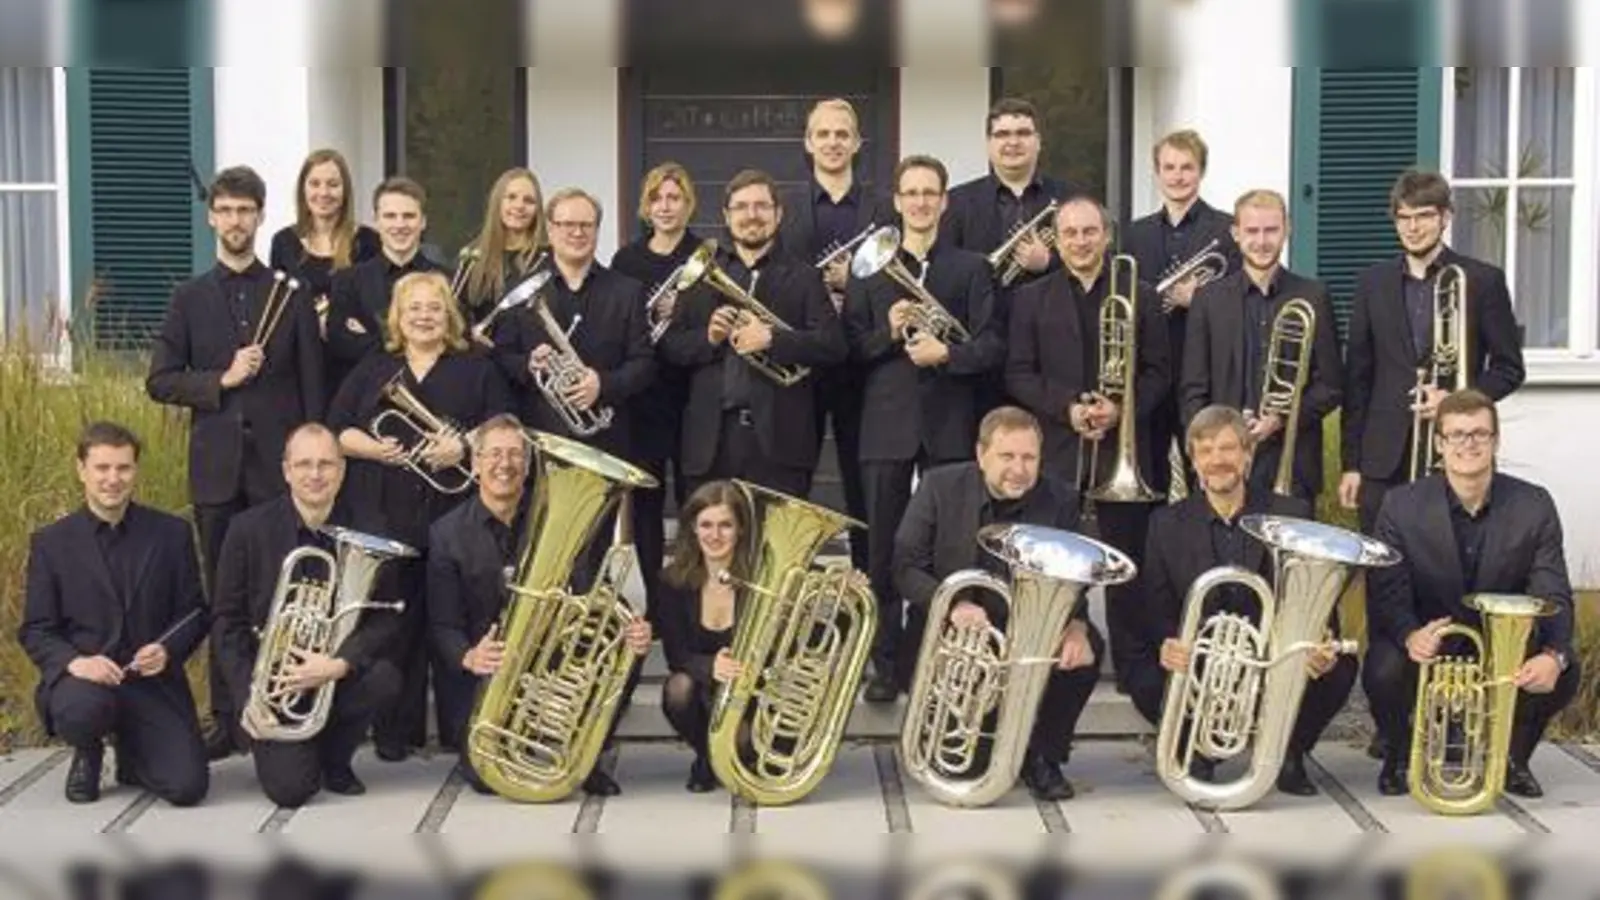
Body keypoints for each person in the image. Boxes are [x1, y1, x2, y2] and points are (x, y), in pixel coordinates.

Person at [147, 164, 325, 759]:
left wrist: (312, 462)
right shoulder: (189, 297)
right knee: (226, 599)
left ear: (260, 216)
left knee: (285, 592)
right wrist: (221, 379)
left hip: (279, 474)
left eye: (245, 210)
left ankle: (282, 704)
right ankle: (227, 717)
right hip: (218, 475)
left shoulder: (288, 295)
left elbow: (312, 390)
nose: (235, 220)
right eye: (225, 210)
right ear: (211, 218)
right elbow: (161, 380)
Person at [329, 270, 513, 760]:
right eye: (414, 308)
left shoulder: (475, 367)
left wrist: (464, 446)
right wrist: (373, 447)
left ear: (448, 314)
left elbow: (503, 426)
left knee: (455, 619)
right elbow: (338, 429)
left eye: (434, 307)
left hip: (454, 517)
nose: (425, 316)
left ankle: (460, 730)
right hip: (388, 514)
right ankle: (396, 733)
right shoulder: (374, 366)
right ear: (399, 317)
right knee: (398, 625)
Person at [843, 153, 1005, 701]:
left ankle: (938, 653)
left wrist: (947, 354)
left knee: (952, 546)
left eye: (929, 193)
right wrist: (887, 334)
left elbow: (992, 346)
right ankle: (886, 662)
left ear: (944, 201)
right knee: (883, 548)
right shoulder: (869, 274)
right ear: (896, 201)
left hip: (950, 425)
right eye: (910, 193)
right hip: (886, 426)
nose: (919, 202)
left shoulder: (970, 268)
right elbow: (847, 350)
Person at [1364, 389, 1577, 799]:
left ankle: (1512, 758)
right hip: (1429, 640)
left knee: (1566, 669)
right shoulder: (1401, 505)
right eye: (1457, 435)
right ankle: (1402, 756)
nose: (1469, 444)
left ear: (1496, 441)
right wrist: (1410, 635)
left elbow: (1554, 590)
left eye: (1480, 434)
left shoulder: (1534, 505)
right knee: (1383, 666)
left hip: (1500, 648)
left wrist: (1554, 655)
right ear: (1439, 443)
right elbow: (1387, 590)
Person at [1132, 405, 1354, 795]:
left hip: (1271, 657)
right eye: (1206, 451)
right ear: (1194, 462)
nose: (1218, 461)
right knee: (1145, 678)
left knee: (1339, 669)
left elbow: (1314, 597)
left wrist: (1321, 641)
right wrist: (1169, 642)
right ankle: (1198, 748)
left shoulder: (1290, 513)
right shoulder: (1166, 524)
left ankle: (1288, 753)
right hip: (1204, 662)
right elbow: (1157, 605)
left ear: (1248, 455)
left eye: (1228, 449)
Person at [427, 415, 652, 796]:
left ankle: (585, 754)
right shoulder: (447, 533)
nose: (505, 464)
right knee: (485, 778)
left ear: (529, 466)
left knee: (626, 650)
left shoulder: (557, 518)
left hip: (546, 665)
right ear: (475, 463)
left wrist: (631, 626)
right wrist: (469, 656)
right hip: (485, 676)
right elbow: (442, 624)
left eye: (515, 455)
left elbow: (596, 590)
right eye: (494, 454)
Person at [892, 406, 1103, 800]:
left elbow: (1076, 579)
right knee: (966, 765)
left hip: (1024, 634)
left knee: (1085, 651)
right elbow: (905, 567)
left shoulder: (1060, 499)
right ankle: (988, 740)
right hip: (951, 634)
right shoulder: (939, 487)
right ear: (981, 454)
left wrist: (1076, 627)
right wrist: (951, 605)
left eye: (1029, 458)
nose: (1019, 469)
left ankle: (1043, 755)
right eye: (1007, 456)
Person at [1005, 195, 1170, 689]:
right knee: (1055, 561)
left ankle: (1130, 665)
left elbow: (1160, 373)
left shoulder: (1137, 294)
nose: (1080, 241)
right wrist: (1067, 409)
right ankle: (1049, 655)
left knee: (1123, 562)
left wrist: (1120, 410)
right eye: (1071, 233)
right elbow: (1018, 373)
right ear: (1057, 239)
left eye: (1089, 232)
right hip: (1058, 447)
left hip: (1124, 449)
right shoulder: (1031, 298)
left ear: (1106, 236)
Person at [211, 423, 404, 807]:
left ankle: (335, 761)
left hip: (334, 670)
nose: (315, 475)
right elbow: (226, 621)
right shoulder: (247, 530)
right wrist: (249, 694)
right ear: (286, 470)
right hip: (275, 683)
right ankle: (302, 752)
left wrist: (340, 663)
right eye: (304, 464)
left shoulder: (370, 528)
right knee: (291, 792)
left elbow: (387, 617)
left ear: (342, 470)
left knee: (383, 678)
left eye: (326, 464)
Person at [18, 422, 209, 806]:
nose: (112, 479)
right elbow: (37, 629)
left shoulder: (171, 533)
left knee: (188, 787)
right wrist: (76, 663)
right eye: (102, 468)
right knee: (83, 710)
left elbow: (195, 612)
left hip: (150, 681)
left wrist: (167, 650)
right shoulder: (51, 543)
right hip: (87, 684)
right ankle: (89, 751)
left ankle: (133, 758)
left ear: (135, 470)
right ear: (81, 470)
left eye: (123, 468)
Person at [1340, 169, 1526, 535]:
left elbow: (1509, 368)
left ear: (1445, 217)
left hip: (1457, 452)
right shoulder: (1371, 283)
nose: (1413, 227)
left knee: (1450, 572)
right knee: (1385, 575)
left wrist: (1456, 399)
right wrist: (1352, 465)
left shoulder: (1483, 281)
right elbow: (1357, 380)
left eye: (1423, 216)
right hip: (1382, 460)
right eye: (1403, 217)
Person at [659, 168, 848, 498]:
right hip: (709, 443)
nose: (752, 215)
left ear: (778, 215)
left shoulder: (804, 277)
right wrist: (709, 338)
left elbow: (833, 346)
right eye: (742, 207)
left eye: (761, 206)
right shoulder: (701, 275)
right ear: (726, 216)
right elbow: (669, 348)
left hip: (781, 443)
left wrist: (774, 339)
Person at [776, 97, 892, 584]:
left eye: (842, 134)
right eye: (822, 134)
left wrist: (855, 283)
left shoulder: (885, 208)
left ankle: (869, 588)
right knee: (794, 483)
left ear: (857, 142)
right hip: (803, 363)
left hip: (865, 363)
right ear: (808, 143)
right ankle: (791, 592)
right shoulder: (784, 208)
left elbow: (896, 278)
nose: (832, 142)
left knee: (864, 487)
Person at [1179, 189, 1342, 503]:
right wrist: (1205, 450)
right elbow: (1192, 387)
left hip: (1293, 463)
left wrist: (1280, 419)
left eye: (1271, 230)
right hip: (1222, 463)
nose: (1262, 241)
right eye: (1252, 231)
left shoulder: (1314, 296)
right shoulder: (1208, 300)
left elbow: (1331, 386)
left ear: (1287, 230)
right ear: (1236, 234)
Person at [490, 187, 656, 464]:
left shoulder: (627, 292)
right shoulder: (520, 290)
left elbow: (644, 364)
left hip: (605, 443)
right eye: (567, 224)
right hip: (539, 439)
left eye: (585, 225)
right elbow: (500, 356)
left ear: (596, 230)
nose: (577, 233)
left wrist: (603, 384)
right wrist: (528, 364)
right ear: (551, 230)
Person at [941, 97, 1080, 414]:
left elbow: (1097, 260)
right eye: (1002, 134)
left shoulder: (1069, 198)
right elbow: (946, 267)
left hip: (1051, 345)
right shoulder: (958, 202)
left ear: (1038, 142)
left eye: (1023, 133)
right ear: (988, 144)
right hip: (981, 342)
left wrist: (1049, 262)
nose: (1013, 142)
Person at [1121, 129, 1240, 498]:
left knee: (1206, 474)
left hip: (1205, 374)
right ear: (1156, 174)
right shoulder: (1133, 234)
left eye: (1187, 167)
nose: (1177, 176)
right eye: (1169, 167)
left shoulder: (1226, 231)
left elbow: (1241, 301)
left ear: (1201, 172)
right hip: (1152, 372)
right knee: (1150, 477)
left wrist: (1201, 298)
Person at [610, 162, 703, 632]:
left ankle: (688, 602)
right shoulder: (626, 261)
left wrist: (681, 311)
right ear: (646, 206)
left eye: (675, 197)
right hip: (643, 399)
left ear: (689, 204)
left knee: (694, 504)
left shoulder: (705, 256)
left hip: (691, 395)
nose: (666, 206)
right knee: (646, 506)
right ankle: (656, 605)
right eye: (657, 198)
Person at [656, 480, 752, 793]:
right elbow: (676, 656)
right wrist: (711, 666)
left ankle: (731, 757)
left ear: (740, 530)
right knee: (677, 688)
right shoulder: (673, 581)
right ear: (693, 530)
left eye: (726, 525)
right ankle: (709, 757)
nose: (715, 535)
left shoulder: (760, 579)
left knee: (743, 740)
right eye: (706, 525)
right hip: (703, 692)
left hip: (753, 695)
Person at [324, 177, 445, 395]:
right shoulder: (348, 281)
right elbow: (341, 345)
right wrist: (418, 341)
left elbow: (451, 343)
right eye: (390, 216)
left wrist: (374, 338)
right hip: (367, 399)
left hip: (434, 395)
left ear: (423, 221)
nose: (399, 225)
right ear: (376, 221)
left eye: (408, 216)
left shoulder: (445, 280)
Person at [267, 148, 381, 340]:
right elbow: (278, 309)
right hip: (301, 358)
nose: (323, 192)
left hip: (354, 357)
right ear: (303, 188)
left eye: (333, 184)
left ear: (345, 190)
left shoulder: (368, 241)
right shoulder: (284, 242)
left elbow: (375, 308)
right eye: (314, 184)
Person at [456, 167, 549, 329]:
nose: (519, 206)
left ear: (537, 209)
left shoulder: (548, 257)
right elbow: (458, 315)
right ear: (497, 201)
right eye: (511, 197)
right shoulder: (473, 257)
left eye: (529, 201)